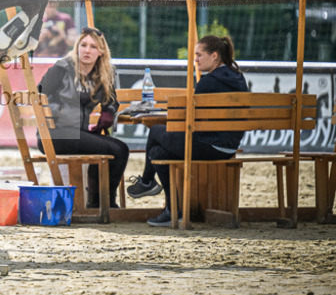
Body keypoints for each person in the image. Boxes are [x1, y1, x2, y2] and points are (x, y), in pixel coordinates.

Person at [128, 35, 249, 227]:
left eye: (199, 55)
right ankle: (173, 210)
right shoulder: (238, 78)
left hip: (209, 146)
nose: (196, 60)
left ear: (214, 56)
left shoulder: (209, 82)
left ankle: (147, 181)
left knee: (155, 131)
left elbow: (190, 119)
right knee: (157, 152)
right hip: (229, 147)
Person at [38, 27, 128, 208]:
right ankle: (104, 203)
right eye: (83, 45)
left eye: (93, 47)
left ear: (101, 52)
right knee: (113, 150)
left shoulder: (104, 72)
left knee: (121, 149)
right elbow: (38, 96)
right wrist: (58, 111)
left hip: (79, 133)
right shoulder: (62, 68)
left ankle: (98, 202)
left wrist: (108, 112)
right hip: (55, 134)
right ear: (77, 47)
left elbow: (112, 100)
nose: (87, 50)